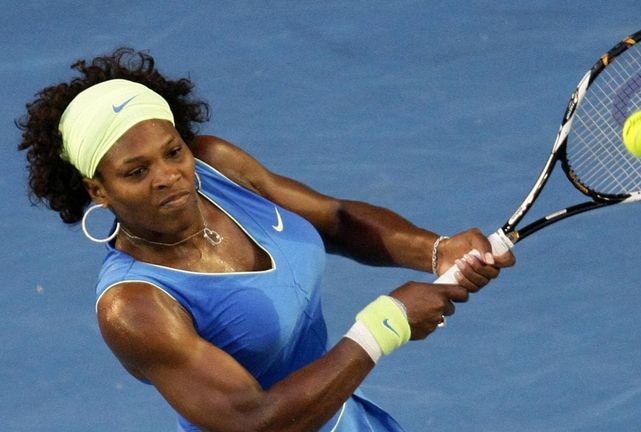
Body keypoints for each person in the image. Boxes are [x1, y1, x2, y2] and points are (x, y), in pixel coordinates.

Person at [17, 47, 515, 432]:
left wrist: (435, 249)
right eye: (136, 171)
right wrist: (385, 324)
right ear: (97, 189)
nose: (169, 176)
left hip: (340, 417)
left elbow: (335, 219)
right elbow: (252, 421)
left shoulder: (215, 165)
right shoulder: (133, 306)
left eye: (172, 152)